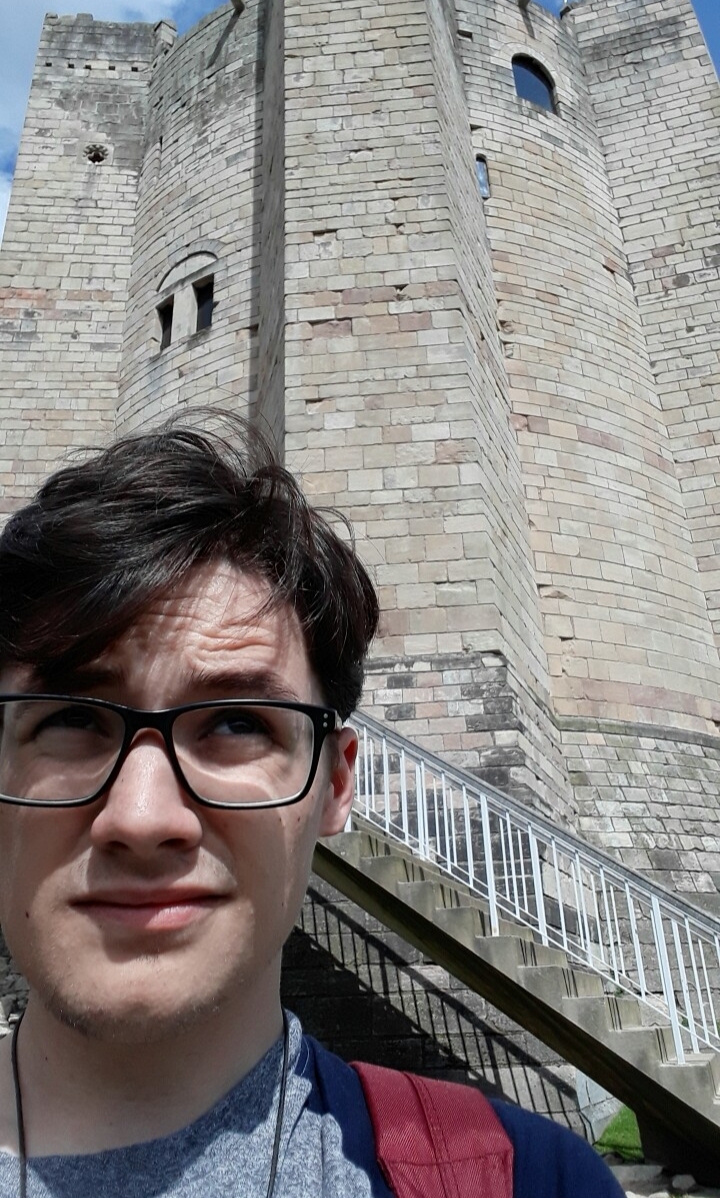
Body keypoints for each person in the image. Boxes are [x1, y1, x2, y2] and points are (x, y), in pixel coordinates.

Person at [0, 414, 624, 1197]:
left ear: (334, 784)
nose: (143, 816)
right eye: (72, 720)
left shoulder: (532, 1182)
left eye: (236, 723)